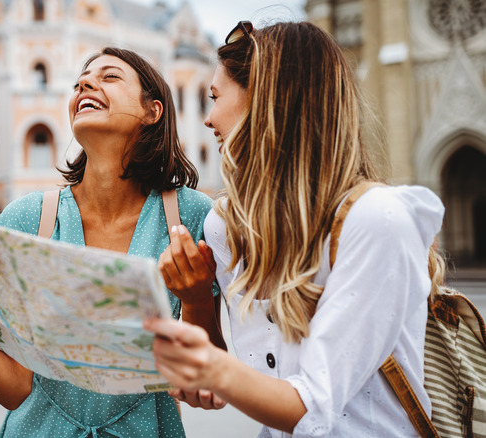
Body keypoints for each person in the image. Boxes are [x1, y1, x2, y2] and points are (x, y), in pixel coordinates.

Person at [0, 47, 224, 437]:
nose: (85, 83)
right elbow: (16, 387)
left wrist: (196, 299)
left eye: (109, 76)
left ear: (152, 111)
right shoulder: (26, 219)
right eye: (80, 81)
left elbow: (209, 373)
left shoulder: (192, 217)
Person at [144, 21, 447, 436]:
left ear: (269, 100)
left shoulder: (376, 218)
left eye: (215, 97)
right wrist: (195, 301)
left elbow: (313, 406)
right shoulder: (225, 226)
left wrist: (209, 366)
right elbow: (217, 391)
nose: (209, 118)